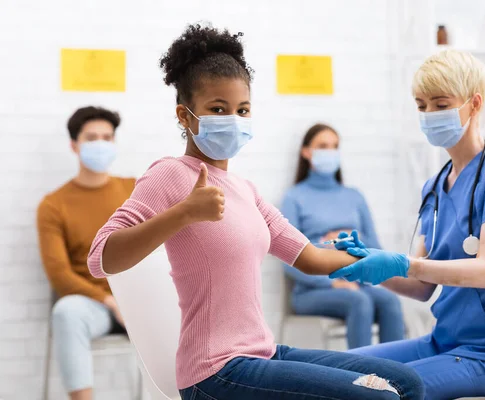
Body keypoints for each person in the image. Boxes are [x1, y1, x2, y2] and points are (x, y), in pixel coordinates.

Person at [87, 24, 423, 400]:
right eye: (218, 109)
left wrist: (378, 260)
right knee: (376, 397)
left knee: (406, 382)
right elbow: (101, 258)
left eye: (242, 109)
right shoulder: (170, 174)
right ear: (185, 115)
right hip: (215, 372)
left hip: (262, 353)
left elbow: (309, 257)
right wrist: (183, 214)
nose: (233, 119)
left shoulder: (246, 191)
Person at [328, 50, 485, 399]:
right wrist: (368, 263)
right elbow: (421, 286)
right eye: (421, 105)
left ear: (474, 104)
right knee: (331, 370)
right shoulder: (435, 185)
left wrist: (403, 262)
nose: (429, 114)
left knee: (375, 390)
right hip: (443, 343)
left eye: (440, 103)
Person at [37, 106, 135, 400]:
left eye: (107, 137)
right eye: (92, 138)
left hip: (139, 303)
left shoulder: (134, 189)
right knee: (67, 312)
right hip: (96, 307)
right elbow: (60, 274)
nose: (101, 144)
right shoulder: (54, 205)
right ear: (74, 145)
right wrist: (109, 301)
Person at [281, 123, 404, 349]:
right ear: (306, 152)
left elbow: (376, 249)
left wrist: (349, 239)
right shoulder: (294, 197)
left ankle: (395, 375)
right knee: (360, 302)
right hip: (313, 291)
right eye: (323, 146)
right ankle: (361, 379)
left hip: (357, 285)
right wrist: (331, 273)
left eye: (335, 146)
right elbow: (289, 259)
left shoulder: (354, 196)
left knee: (390, 301)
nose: (330, 151)